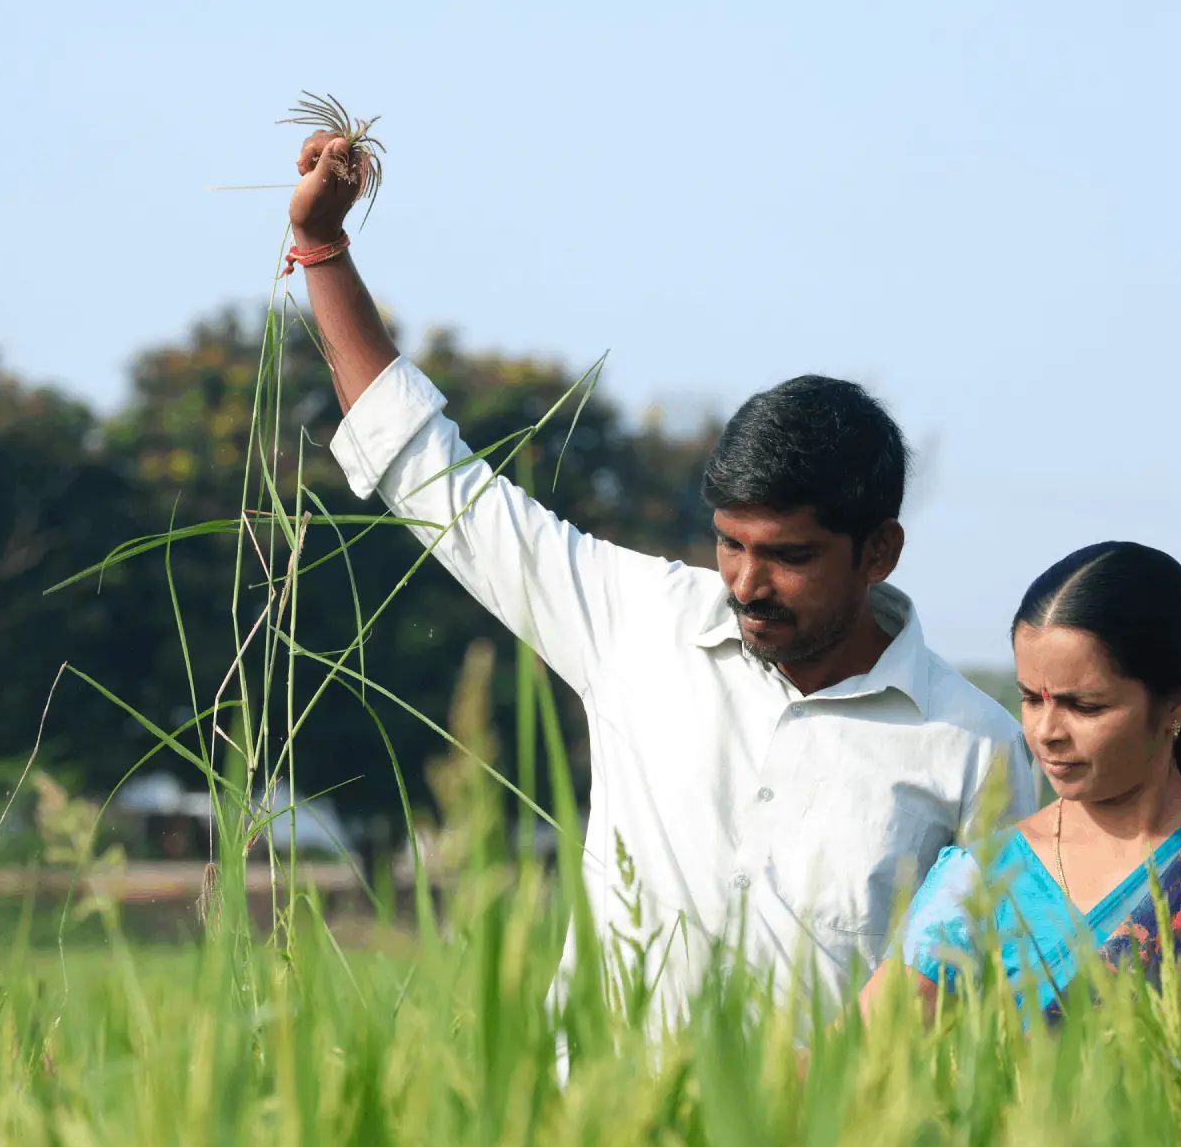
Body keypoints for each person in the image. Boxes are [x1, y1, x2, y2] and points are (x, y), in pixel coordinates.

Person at [285, 128, 1033, 1029]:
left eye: (789, 556)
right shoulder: (636, 622)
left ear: (879, 552)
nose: (747, 583)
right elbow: (438, 484)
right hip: (596, 1136)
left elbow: (1000, 1002)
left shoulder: (976, 751)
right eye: (729, 544)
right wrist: (322, 251)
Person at [860, 541, 1181, 1033]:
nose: (1047, 732)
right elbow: (849, 1063)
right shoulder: (979, 886)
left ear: (1176, 703)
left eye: (1084, 706)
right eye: (1032, 700)